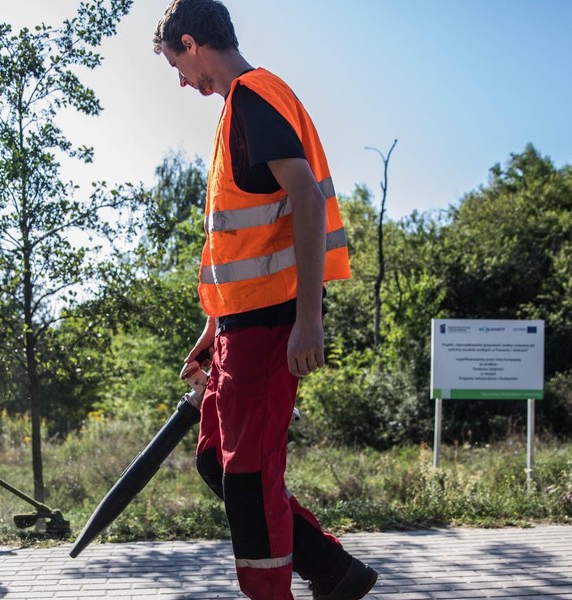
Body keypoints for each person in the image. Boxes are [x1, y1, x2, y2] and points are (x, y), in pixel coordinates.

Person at [153, 2, 377, 599]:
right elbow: (251, 240)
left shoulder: (253, 95)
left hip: (270, 329)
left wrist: (309, 319)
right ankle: (336, 573)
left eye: (179, 65)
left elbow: (304, 198)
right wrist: (213, 328)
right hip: (237, 328)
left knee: (249, 480)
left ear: (193, 42)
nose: (181, 81)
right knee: (215, 464)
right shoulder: (238, 110)